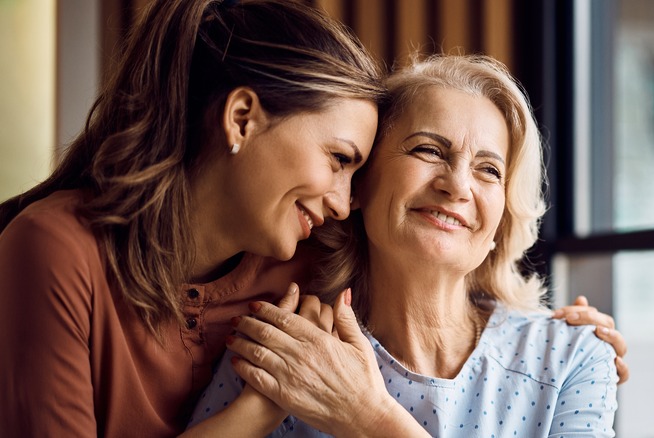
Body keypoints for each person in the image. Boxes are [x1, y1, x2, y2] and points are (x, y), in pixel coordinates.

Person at [0, 1, 384, 436]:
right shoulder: (54, 250)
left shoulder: (314, 277)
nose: (341, 203)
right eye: (337, 159)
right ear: (242, 119)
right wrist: (261, 406)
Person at [190, 54, 619, 436]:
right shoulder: (287, 349)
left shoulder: (571, 359)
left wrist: (365, 416)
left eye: (488, 170)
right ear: (359, 186)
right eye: (429, 150)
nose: (457, 186)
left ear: (501, 224)